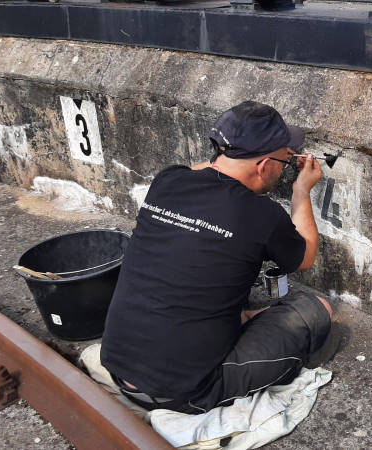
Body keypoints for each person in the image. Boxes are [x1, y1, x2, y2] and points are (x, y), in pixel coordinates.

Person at [100, 100, 333, 414]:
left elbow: (208, 170)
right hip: (184, 390)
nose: (285, 166)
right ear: (264, 166)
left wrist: (233, 159)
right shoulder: (262, 214)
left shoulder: (168, 181)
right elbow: (305, 257)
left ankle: (238, 321)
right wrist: (301, 190)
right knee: (316, 309)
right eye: (285, 160)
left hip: (118, 364)